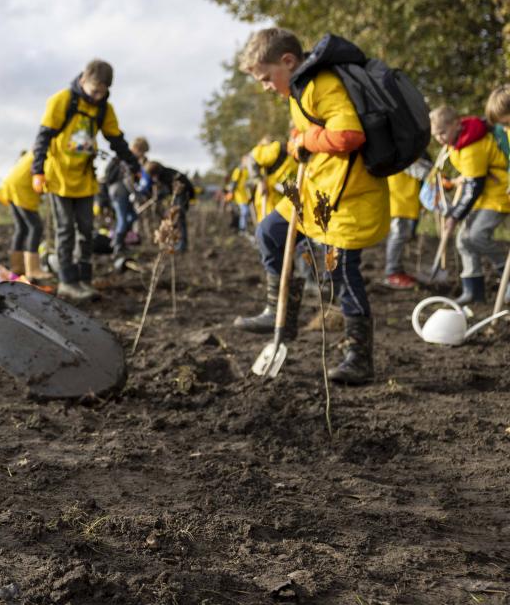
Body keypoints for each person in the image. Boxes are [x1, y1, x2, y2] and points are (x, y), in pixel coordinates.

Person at [233, 29, 390, 385]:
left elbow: (350, 135)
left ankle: (359, 358)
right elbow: (315, 137)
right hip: (319, 192)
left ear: (287, 62)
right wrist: (298, 142)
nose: (265, 87)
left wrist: (306, 139)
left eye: (265, 78)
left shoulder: (322, 84)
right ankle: (281, 316)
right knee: (269, 232)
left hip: (350, 198)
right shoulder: (300, 92)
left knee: (342, 274)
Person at [32, 58, 139, 302]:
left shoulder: (103, 109)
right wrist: (38, 171)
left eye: (103, 92)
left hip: (85, 180)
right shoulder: (62, 101)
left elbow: (117, 141)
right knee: (65, 230)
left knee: (86, 232)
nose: (98, 96)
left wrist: (134, 166)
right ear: (83, 80)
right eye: (94, 91)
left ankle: (84, 280)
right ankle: (67, 282)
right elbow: (43, 138)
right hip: (59, 178)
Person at [430, 105, 510, 305]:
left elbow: (475, 185)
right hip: (485, 194)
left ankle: (507, 276)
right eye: (435, 135)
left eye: (442, 133)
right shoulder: (454, 142)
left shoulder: (471, 146)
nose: (439, 138)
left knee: (476, 235)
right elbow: (471, 177)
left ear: (456, 125)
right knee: (463, 240)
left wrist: (455, 215)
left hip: (499, 193)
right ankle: (473, 290)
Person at [0, 151, 47, 281]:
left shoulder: (31, 153)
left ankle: (17, 267)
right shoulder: (48, 151)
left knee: (22, 228)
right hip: (21, 189)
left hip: (10, 187)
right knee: (36, 227)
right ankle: (33, 269)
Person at [382, 157, 431, 290]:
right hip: (399, 202)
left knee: (403, 237)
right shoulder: (403, 155)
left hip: (406, 202)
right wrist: (440, 177)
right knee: (398, 237)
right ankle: (392, 273)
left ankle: (398, 270)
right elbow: (423, 171)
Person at [142, 159, 195, 252]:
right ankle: (175, 243)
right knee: (174, 219)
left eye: (152, 176)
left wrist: (159, 196)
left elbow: (170, 190)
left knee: (179, 218)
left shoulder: (166, 175)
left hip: (183, 194)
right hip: (180, 194)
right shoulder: (164, 172)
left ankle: (182, 245)